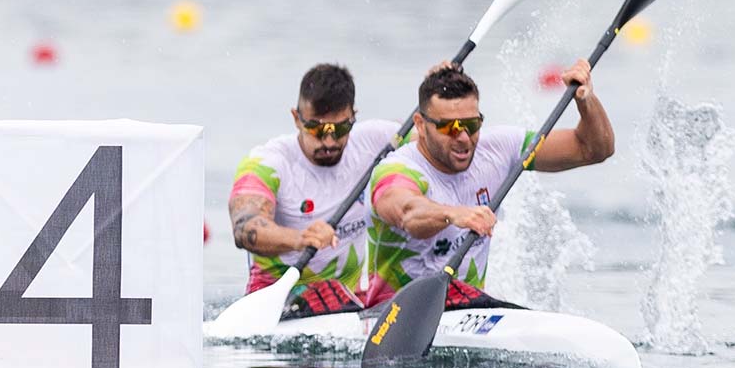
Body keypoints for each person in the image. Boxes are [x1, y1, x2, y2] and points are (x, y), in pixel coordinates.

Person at [366, 62, 614, 308]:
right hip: (391, 317)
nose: (463, 138)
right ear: (420, 124)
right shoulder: (396, 170)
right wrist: (453, 214)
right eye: (448, 127)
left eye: (471, 125)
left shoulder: (499, 148)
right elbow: (408, 214)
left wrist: (586, 100)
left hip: (466, 309)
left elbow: (593, 149)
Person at [228, 63, 400, 318]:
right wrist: (299, 239)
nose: (329, 142)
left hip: (346, 307)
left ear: (354, 116)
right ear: (296, 119)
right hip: (278, 308)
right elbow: (245, 228)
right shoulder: (269, 163)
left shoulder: (376, 140)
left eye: (340, 129)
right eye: (317, 130)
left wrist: (439, 86)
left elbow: (434, 135)